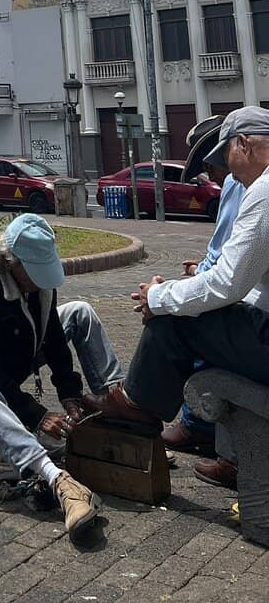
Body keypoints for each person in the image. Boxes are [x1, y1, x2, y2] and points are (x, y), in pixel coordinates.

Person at [82, 107, 269, 492]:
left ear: (245, 145)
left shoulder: (264, 191)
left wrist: (160, 297)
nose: (228, 174)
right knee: (185, 305)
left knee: (174, 317)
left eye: (227, 160)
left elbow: (229, 282)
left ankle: (138, 405)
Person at [0, 213, 129, 544]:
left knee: (80, 312)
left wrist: (69, 393)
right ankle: (56, 479)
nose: (40, 281)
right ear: (9, 261)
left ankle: (121, 412)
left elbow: (53, 336)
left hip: (20, 355)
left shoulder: (40, 285)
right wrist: (37, 415)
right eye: (33, 273)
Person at [161, 153, 245, 472]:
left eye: (210, 168)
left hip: (246, 302)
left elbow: (228, 257)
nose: (209, 176)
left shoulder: (242, 185)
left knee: (183, 323)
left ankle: (197, 423)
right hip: (241, 288)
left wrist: (170, 294)